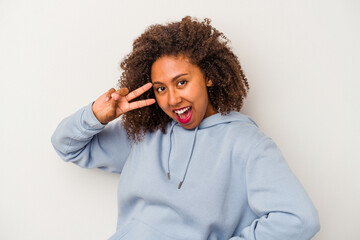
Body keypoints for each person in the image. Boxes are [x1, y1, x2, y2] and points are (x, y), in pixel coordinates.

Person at [51, 16, 320, 240]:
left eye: (181, 82)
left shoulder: (246, 144)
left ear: (209, 77)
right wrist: (96, 116)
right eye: (161, 88)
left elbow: (298, 219)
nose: (172, 99)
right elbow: (66, 146)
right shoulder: (144, 133)